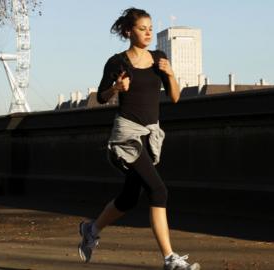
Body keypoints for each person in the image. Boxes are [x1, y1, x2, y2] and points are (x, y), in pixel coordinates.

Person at [77, 7, 201, 270]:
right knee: (158, 190)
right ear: (128, 31)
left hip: (150, 134)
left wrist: (169, 73)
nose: (147, 33)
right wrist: (116, 88)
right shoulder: (117, 62)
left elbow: (175, 97)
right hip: (127, 135)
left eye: (150, 28)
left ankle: (91, 229)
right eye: (142, 28)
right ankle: (169, 259)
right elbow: (100, 96)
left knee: (129, 198)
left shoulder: (159, 59)